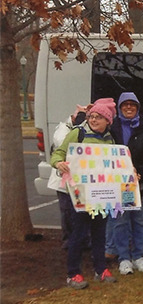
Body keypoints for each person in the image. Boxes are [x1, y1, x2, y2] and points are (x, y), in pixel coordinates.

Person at [51, 98, 118, 289]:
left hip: (101, 195)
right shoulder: (77, 133)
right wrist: (59, 164)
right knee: (78, 235)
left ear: (108, 121)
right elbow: (58, 154)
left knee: (99, 234)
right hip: (79, 194)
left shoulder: (110, 138)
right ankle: (73, 274)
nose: (94, 120)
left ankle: (101, 270)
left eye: (99, 117)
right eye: (91, 116)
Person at [106, 92, 143, 275]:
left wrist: (141, 173)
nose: (129, 108)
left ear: (137, 107)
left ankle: (138, 256)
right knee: (120, 221)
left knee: (139, 221)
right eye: (125, 105)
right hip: (118, 184)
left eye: (132, 105)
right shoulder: (111, 127)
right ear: (120, 108)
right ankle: (124, 258)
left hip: (140, 184)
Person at [48, 104, 90, 250]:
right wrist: (76, 127)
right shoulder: (63, 129)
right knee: (66, 212)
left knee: (81, 210)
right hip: (63, 180)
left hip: (80, 180)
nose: (81, 119)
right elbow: (62, 144)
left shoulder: (86, 130)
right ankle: (68, 240)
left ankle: (84, 240)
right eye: (80, 115)